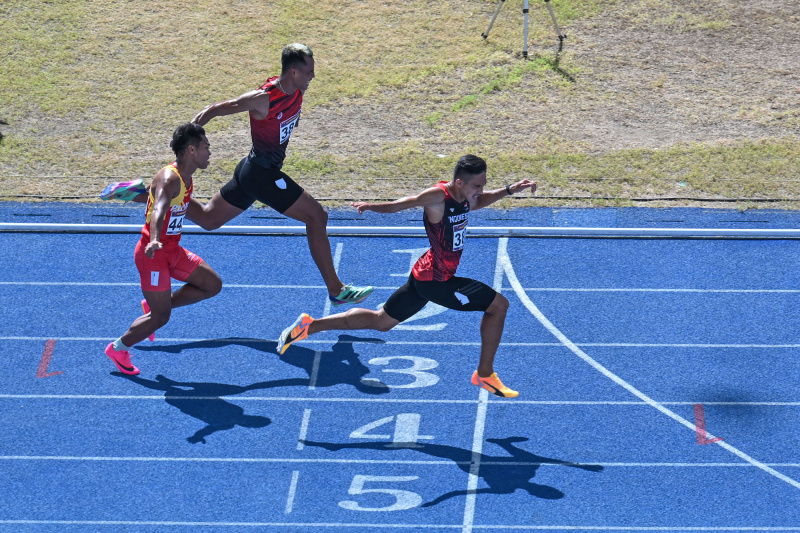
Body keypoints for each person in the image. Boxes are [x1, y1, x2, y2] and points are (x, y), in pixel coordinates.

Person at [101, 43, 372, 307]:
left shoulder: (297, 91)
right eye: (309, 71)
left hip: (251, 169)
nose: (313, 75)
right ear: (293, 72)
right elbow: (216, 109)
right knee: (317, 217)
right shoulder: (263, 98)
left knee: (208, 218)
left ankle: (139, 192)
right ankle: (336, 290)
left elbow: (284, 122)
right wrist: (187, 146)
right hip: (261, 175)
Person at [276, 155, 536, 397]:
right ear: (459, 182)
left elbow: (479, 202)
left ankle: (309, 325)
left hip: (425, 274)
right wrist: (371, 206)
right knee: (498, 306)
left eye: (482, 185)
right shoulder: (437, 197)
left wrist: (509, 190)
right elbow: (404, 203)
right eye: (477, 186)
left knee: (381, 322)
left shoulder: (466, 197)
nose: (479, 191)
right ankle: (484, 374)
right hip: (436, 280)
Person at [105, 123, 222, 375]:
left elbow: (152, 195)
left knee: (212, 285)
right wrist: (154, 239)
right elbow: (158, 208)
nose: (209, 152)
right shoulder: (170, 177)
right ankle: (118, 348)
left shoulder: (182, 176)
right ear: (191, 149)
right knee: (161, 318)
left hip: (172, 251)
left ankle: (158, 304)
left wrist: (129, 192)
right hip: (153, 255)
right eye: (206, 147)